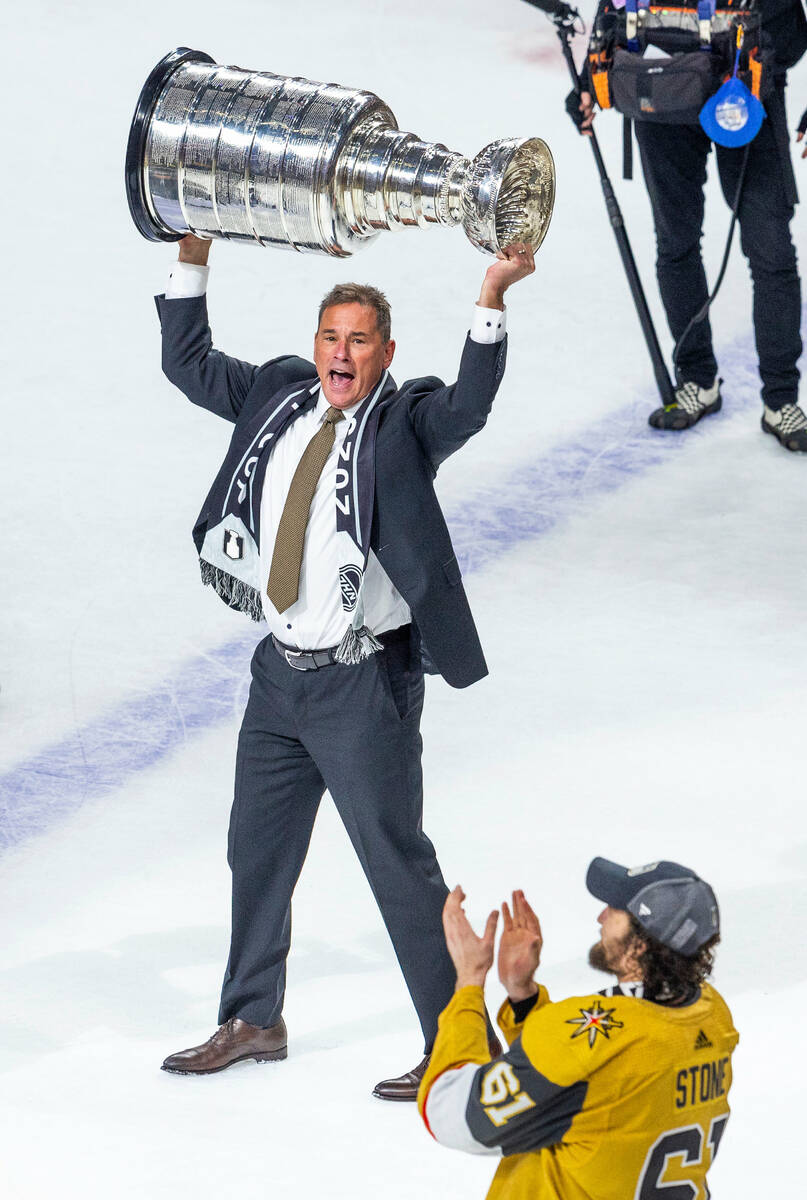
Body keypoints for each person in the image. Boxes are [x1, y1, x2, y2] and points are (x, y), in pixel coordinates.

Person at [154, 233, 535, 1097]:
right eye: (331, 336)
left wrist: (492, 294)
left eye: (359, 340)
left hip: (364, 685)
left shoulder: (405, 424)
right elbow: (189, 365)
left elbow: (469, 406)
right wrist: (192, 253)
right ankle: (253, 1016)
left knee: (397, 865)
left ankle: (459, 1041)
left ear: (386, 353)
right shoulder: (278, 394)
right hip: (278, 679)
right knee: (255, 853)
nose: (340, 352)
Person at [418, 857, 738, 1199]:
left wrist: (469, 982)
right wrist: (523, 994)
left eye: (615, 910)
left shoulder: (595, 1042)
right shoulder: (712, 1015)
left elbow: (448, 1111)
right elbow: (585, 1088)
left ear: (640, 944)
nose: (601, 916)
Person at [577, 0, 807, 452]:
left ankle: (781, 397)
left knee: (771, 250)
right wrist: (590, 78)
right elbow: (616, 7)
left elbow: (795, 37)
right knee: (676, 243)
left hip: (746, 90)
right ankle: (697, 379)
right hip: (660, 89)